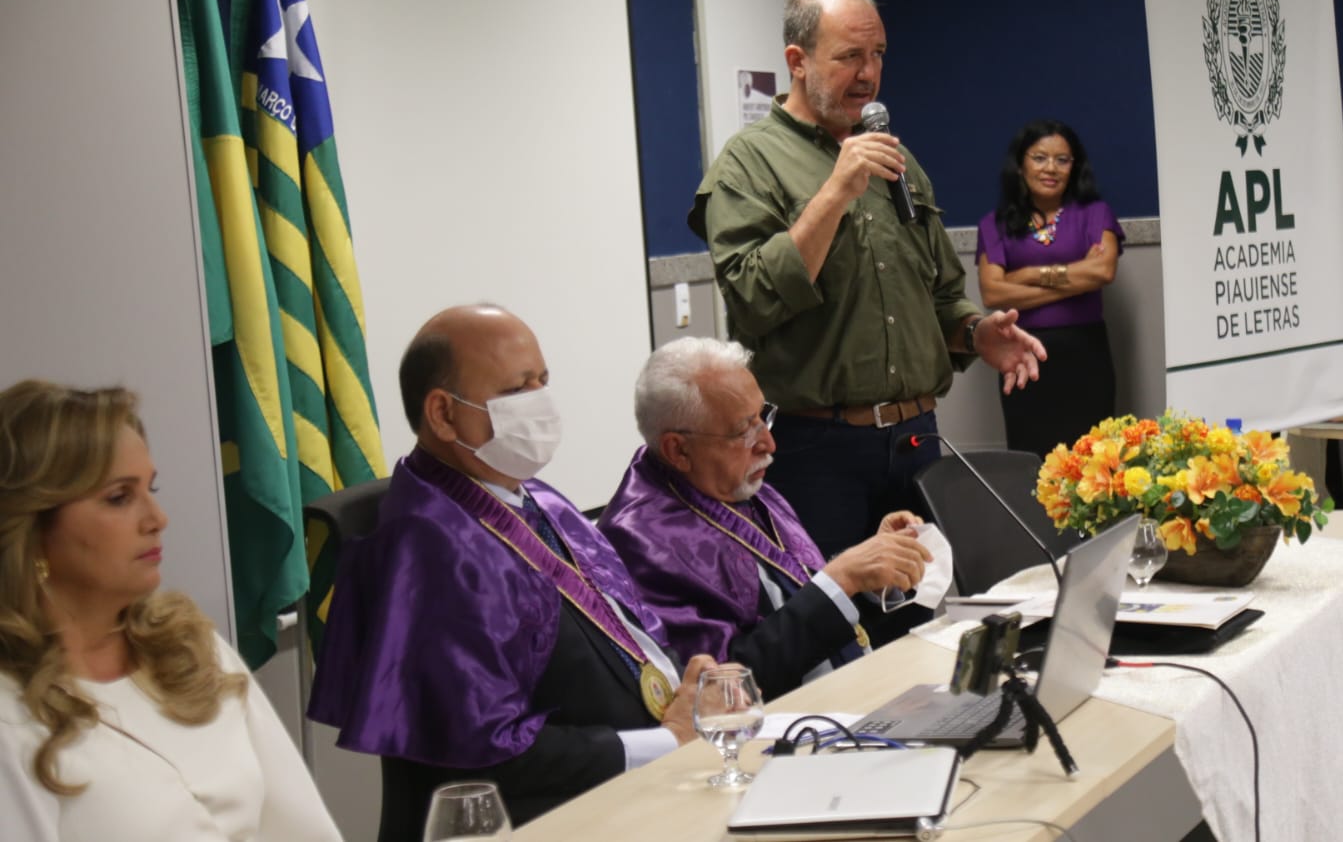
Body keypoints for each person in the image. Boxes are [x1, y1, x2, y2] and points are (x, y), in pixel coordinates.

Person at [306, 305, 717, 840]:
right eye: (519, 390)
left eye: (543, 381)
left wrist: (689, 685)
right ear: (443, 414)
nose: (541, 403)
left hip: (629, 789)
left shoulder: (523, 496)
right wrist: (666, 742)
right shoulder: (432, 548)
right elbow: (487, 757)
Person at [689, 0, 1047, 568]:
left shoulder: (896, 158)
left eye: (877, 54)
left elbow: (938, 294)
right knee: (839, 636)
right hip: (816, 448)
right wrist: (834, 193)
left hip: (917, 438)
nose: (868, 74)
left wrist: (975, 332)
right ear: (797, 61)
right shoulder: (747, 164)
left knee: (920, 618)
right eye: (849, 56)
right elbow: (752, 299)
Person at [0, 381, 341, 842]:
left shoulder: (186, 644)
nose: (157, 518)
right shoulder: (12, 711)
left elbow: (302, 828)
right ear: (33, 526)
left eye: (150, 488)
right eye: (119, 497)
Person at [599, 338, 933, 699]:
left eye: (764, 416)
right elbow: (724, 688)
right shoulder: (644, 543)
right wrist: (841, 579)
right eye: (744, 431)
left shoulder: (739, 486)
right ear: (678, 449)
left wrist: (869, 574)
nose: (769, 443)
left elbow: (796, 598)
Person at [976, 120, 1124, 457]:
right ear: (1021, 164)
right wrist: (1074, 279)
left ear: (1075, 167)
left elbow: (1102, 270)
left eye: (1062, 160)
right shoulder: (995, 223)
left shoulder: (1095, 213)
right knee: (1031, 463)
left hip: (1086, 354)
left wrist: (1025, 274)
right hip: (1022, 357)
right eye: (1039, 157)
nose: (1050, 168)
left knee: (1094, 463)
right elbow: (993, 294)